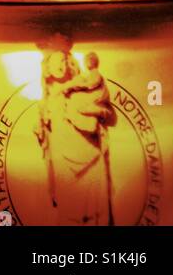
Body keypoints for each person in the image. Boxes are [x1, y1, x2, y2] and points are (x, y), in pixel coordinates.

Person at [35, 42, 116, 226]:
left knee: (94, 211)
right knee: (69, 210)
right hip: (63, 156)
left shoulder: (83, 87)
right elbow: (44, 124)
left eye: (63, 60)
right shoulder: (47, 99)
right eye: (55, 62)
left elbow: (104, 108)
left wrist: (94, 113)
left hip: (89, 152)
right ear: (47, 67)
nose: (60, 66)